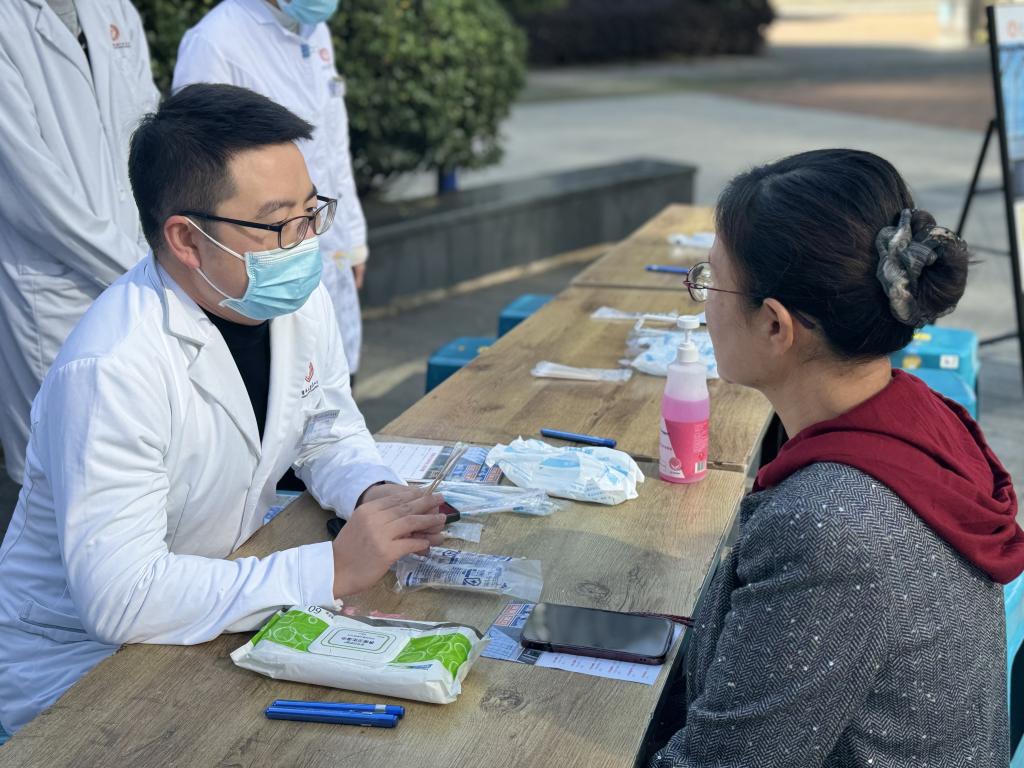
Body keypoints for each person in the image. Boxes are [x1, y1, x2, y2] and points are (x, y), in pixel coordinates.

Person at [0, 84, 445, 740]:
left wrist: (371, 491)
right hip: (78, 676)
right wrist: (332, 568)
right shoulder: (112, 368)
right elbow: (120, 597)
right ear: (186, 238)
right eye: (278, 224)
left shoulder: (289, 299)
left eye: (310, 212)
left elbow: (324, 424)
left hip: (210, 607)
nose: (304, 244)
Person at [651, 149, 1023, 767]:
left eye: (711, 280)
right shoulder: (921, 417)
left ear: (776, 326)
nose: (704, 300)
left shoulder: (828, 527)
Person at [0, 0, 160, 484]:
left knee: (140, 460)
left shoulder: (114, 9)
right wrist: (148, 268)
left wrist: (154, 256)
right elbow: (36, 196)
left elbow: (152, 133)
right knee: (63, 476)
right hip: (55, 291)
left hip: (143, 267)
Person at [173, 0, 369, 382]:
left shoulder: (314, 31)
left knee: (334, 382)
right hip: (266, 264)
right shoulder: (214, 42)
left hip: (323, 237)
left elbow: (334, 145)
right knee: (282, 384)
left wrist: (353, 238)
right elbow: (200, 176)